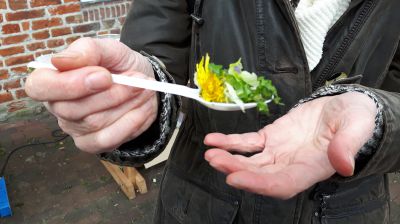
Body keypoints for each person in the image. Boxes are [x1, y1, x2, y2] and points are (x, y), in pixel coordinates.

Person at [25, 0, 400, 223]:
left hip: (348, 208)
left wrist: (380, 118)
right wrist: (130, 108)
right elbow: (159, 52)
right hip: (202, 202)